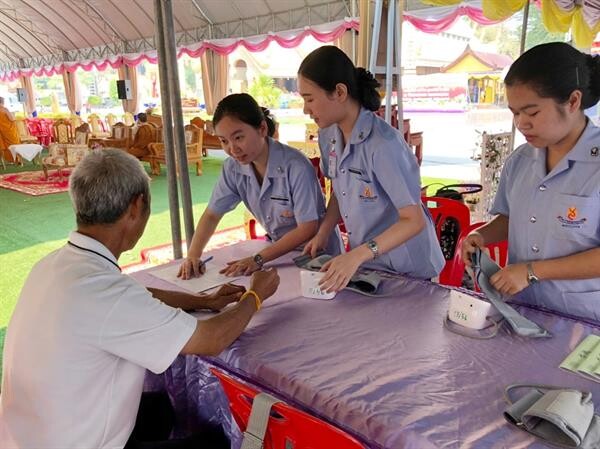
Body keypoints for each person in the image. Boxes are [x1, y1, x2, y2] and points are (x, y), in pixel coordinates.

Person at [0, 149, 280, 449]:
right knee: (217, 440)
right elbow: (210, 339)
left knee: (162, 407)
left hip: (28, 434)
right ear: (136, 207)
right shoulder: (106, 294)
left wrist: (205, 302)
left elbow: (135, 296)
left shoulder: (56, 264)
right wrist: (255, 294)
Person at [461, 42, 600, 322]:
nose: (521, 123)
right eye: (515, 113)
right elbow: (511, 218)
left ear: (573, 102)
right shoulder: (520, 161)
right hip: (521, 310)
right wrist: (481, 236)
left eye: (532, 112)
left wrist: (532, 271)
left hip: (582, 320)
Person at [298, 46, 444, 291]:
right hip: (368, 264)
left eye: (309, 99)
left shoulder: (384, 145)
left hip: (407, 268)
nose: (305, 109)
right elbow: (340, 188)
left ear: (340, 92)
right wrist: (323, 232)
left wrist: (357, 255)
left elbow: (413, 220)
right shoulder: (328, 136)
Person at [178, 93, 341, 279]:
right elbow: (212, 214)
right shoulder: (233, 168)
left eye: (238, 137)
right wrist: (193, 255)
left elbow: (307, 228)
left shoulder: (296, 166)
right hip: (278, 254)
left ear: (262, 128)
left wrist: (257, 259)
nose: (232, 149)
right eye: (224, 141)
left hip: (319, 255)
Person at [0, 96, 20, 163]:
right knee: (14, 144)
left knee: (6, 145)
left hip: (2, 132)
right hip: (9, 130)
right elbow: (12, 119)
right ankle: (16, 159)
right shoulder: (4, 109)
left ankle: (9, 159)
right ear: (2, 102)